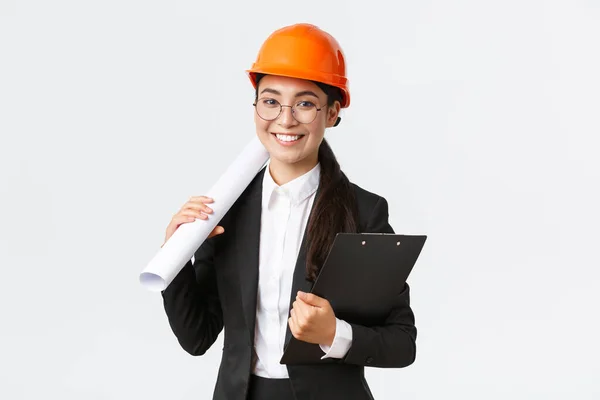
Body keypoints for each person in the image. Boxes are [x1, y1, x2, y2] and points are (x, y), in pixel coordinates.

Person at [161, 23, 417, 400]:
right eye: (270, 100)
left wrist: (334, 335)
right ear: (255, 107)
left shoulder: (364, 211)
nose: (285, 118)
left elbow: (401, 343)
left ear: (331, 113)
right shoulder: (226, 211)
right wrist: (176, 254)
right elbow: (197, 337)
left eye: (305, 103)